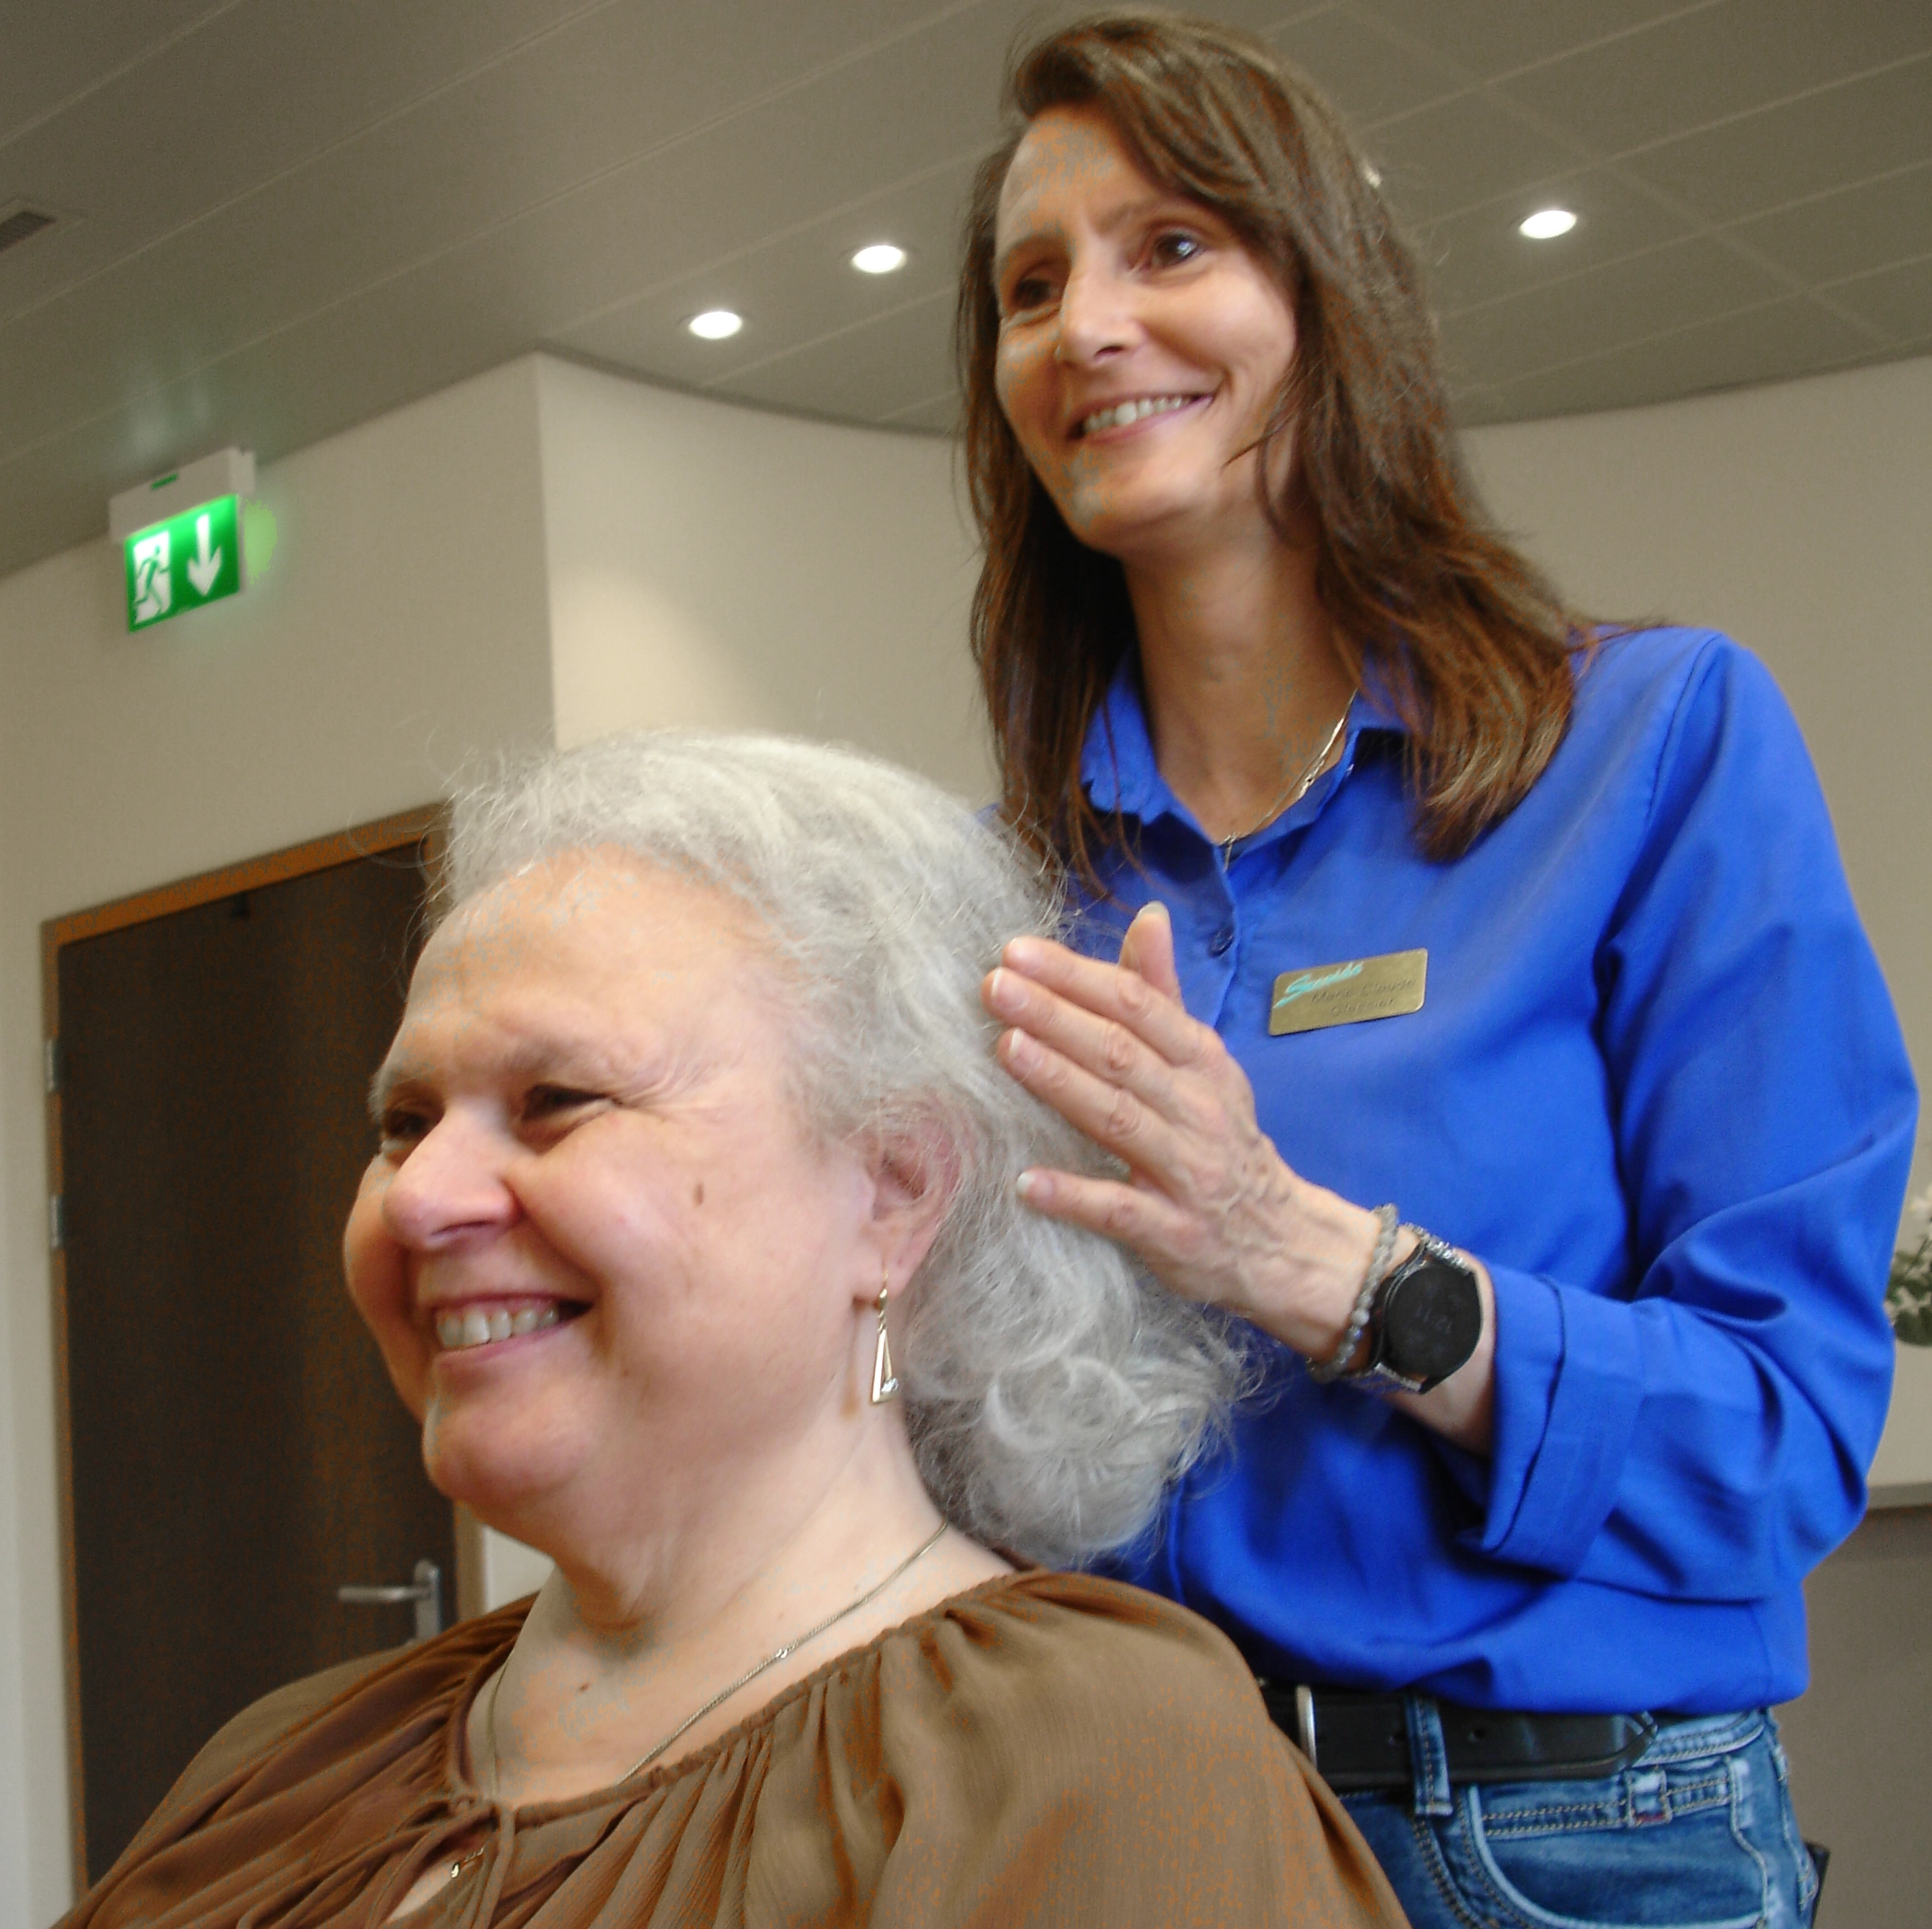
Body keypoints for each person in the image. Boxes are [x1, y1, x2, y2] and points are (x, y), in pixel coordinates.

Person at [957, 12, 1916, 1928]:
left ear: (1324, 298)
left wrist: (1316, 1264)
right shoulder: (1028, 883)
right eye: (1031, 286)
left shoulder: (1655, 744)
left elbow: (1783, 1438)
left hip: (1567, 1850)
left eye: (1170, 248)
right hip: (1144, 1829)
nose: (1085, 329)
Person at [60, 729, 1406, 1929]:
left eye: (557, 1100)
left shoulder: (1094, 1762)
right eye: (401, 1124)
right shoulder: (289, 1753)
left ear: (893, 1193)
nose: (418, 1198)